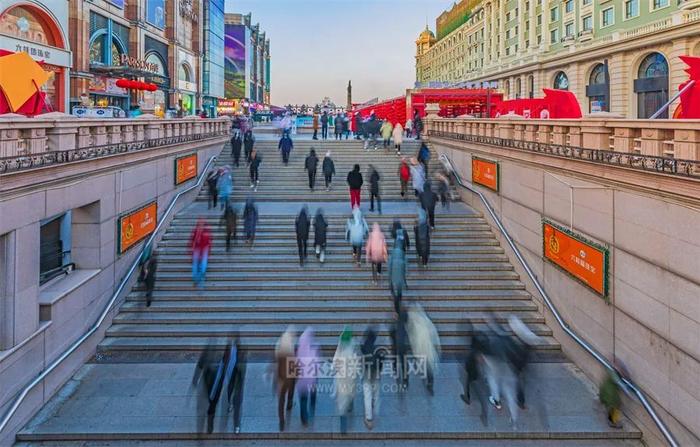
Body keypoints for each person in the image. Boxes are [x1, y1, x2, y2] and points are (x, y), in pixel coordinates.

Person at [407, 304, 441, 394]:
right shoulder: (426, 320)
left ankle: (427, 378)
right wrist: (437, 345)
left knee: (424, 364)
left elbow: (411, 336)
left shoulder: (413, 322)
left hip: (420, 348)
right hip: (427, 348)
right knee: (428, 366)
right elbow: (433, 333)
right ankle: (430, 383)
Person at [334, 327, 358, 434]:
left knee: (342, 402)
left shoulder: (340, 348)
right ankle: (351, 405)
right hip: (349, 378)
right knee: (350, 394)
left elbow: (335, 362)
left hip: (341, 379)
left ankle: (343, 426)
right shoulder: (351, 349)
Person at [275, 327, 297, 431]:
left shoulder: (279, 347)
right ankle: (290, 402)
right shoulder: (291, 348)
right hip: (289, 375)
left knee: (280, 399)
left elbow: (276, 362)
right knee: (290, 390)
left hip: (281, 378)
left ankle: (281, 420)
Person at [361, 327, 383, 429]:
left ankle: (369, 419)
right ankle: (374, 403)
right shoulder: (377, 348)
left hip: (367, 373)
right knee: (375, 391)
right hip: (376, 373)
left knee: (367, 394)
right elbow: (382, 358)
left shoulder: (364, 346)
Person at [296, 327, 318, 426]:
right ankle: (312, 403)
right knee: (312, 391)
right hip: (311, 378)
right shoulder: (314, 348)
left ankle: (304, 418)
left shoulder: (299, 350)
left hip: (302, 380)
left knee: (303, 399)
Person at [224, 337, 246, 434]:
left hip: (237, 381)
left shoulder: (241, 355)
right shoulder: (231, 352)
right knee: (231, 394)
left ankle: (236, 425)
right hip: (234, 379)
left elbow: (243, 370)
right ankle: (236, 425)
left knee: (236, 403)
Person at [388, 229, 408, 312]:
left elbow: (389, 267)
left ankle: (396, 310)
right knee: (399, 292)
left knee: (395, 293)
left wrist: (389, 279)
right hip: (400, 278)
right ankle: (399, 301)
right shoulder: (402, 256)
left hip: (393, 277)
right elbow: (406, 267)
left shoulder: (392, 255)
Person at [391, 309, 410, 388]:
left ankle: (395, 369)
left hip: (398, 348)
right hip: (402, 349)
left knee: (398, 360)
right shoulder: (407, 328)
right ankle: (405, 381)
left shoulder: (395, 327)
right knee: (404, 364)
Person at [189, 219, 211, 285]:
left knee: (202, 265)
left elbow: (209, 242)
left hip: (203, 250)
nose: (201, 225)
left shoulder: (205, 231)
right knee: (196, 265)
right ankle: (196, 278)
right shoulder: (196, 231)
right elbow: (192, 241)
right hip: (197, 249)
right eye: (200, 224)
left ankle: (199, 277)